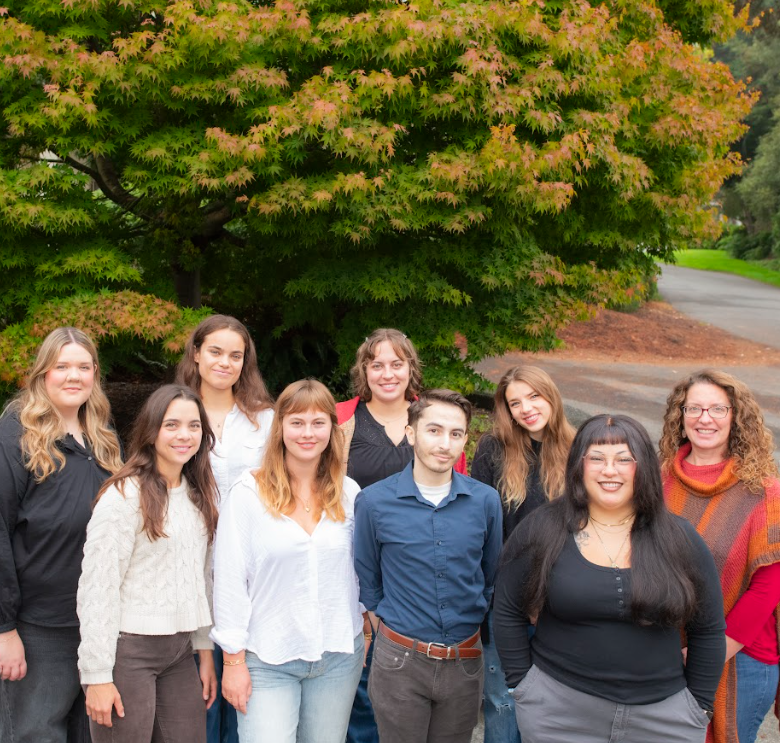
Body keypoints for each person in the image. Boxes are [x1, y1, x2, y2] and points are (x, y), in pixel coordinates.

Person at [494, 414, 726, 743]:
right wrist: (523, 686)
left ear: (643, 466)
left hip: (663, 719)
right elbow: (506, 608)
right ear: (578, 465)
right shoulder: (543, 528)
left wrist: (698, 708)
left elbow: (709, 630)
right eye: (597, 458)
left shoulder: (679, 538)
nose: (609, 470)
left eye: (623, 459)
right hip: (558, 713)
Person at [212, 379, 366, 743]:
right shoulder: (248, 494)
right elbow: (230, 580)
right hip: (268, 657)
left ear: (333, 428)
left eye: (318, 423)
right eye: (297, 422)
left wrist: (365, 626)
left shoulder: (349, 494)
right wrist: (233, 661)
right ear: (279, 427)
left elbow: (360, 572)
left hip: (338, 656)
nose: (307, 433)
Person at [354, 389, 503, 743]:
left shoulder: (485, 501)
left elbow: (489, 574)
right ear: (411, 433)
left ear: (466, 439)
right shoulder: (374, 502)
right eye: (434, 430)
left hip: (465, 660)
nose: (445, 443)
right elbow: (369, 579)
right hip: (400, 661)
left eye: (456, 434)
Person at [339, 328, 466, 743]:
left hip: (422, 579)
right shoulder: (342, 418)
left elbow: (459, 501)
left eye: (397, 363)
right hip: (354, 568)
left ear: (411, 368)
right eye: (377, 364)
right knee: (362, 693)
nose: (387, 373)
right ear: (364, 370)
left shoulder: (438, 421)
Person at [0, 326, 123, 743]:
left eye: (84, 367)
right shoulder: (16, 436)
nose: (74, 376)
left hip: (98, 627)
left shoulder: (104, 441)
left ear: (95, 375)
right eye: (62, 366)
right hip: (38, 629)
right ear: (42, 374)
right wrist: (4, 630)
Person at [77, 384, 219, 742]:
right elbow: (97, 587)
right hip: (128, 653)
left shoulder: (198, 494)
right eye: (171, 425)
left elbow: (200, 577)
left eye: (193, 425)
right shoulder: (123, 495)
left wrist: (203, 649)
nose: (184, 435)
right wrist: (96, 675)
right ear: (151, 430)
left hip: (179, 651)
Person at [660, 370, 780, 743]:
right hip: (661, 652)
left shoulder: (764, 491)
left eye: (717, 408)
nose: (704, 418)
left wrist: (708, 652)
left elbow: (768, 588)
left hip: (741, 659)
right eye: (693, 408)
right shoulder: (657, 479)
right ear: (680, 416)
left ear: (736, 416)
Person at [177, 314, 275, 743]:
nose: (225, 363)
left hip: (250, 577)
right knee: (195, 697)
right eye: (215, 352)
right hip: (186, 572)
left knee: (244, 693)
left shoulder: (266, 421)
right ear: (196, 354)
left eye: (236, 355)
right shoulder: (175, 413)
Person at [471, 365, 575, 743]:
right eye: (515, 402)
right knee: (502, 699)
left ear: (551, 396)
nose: (525, 408)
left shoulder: (580, 449)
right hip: (506, 602)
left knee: (557, 701)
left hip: (563, 600)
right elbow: (480, 530)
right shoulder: (493, 450)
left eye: (534, 396)